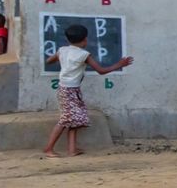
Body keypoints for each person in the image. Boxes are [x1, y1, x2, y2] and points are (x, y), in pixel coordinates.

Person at [43, 24, 134, 157]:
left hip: (67, 89)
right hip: (70, 90)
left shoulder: (62, 50)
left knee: (75, 119)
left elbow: (49, 60)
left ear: (68, 40)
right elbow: (101, 71)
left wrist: (60, 59)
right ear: (85, 40)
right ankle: (48, 148)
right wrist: (119, 65)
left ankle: (72, 149)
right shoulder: (84, 55)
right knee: (65, 119)